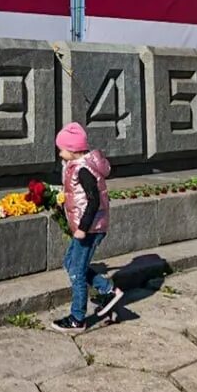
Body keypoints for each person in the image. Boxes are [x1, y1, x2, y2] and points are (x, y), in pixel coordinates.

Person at [52, 122, 124, 331]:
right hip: (86, 227)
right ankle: (108, 290)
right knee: (70, 262)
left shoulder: (83, 170)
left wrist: (83, 228)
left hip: (90, 228)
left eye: (62, 149)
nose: (59, 153)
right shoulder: (75, 166)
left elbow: (93, 201)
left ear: (73, 150)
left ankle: (77, 318)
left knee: (77, 271)